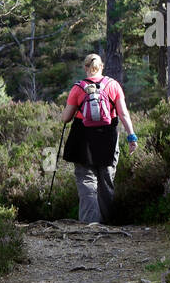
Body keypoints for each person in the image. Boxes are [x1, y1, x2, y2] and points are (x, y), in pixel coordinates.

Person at [58, 53, 137, 224]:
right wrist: (132, 136)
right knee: (106, 181)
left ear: (85, 68)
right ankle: (108, 223)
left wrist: (65, 112)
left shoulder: (78, 88)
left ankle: (90, 223)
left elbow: (66, 118)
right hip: (107, 138)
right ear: (102, 66)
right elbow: (123, 114)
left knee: (86, 182)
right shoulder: (113, 85)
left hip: (82, 139)